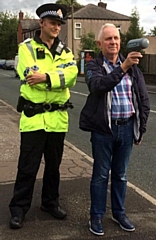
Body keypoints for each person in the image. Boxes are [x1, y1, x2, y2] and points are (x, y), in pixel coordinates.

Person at [9, 3, 78, 229]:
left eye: (59, 24)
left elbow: (72, 77)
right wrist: (56, 78)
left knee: (53, 166)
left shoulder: (66, 52)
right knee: (27, 167)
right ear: (41, 23)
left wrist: (46, 78)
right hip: (34, 118)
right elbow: (29, 76)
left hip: (57, 120)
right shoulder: (26, 48)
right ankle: (19, 209)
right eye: (52, 23)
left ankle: (50, 202)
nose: (56, 27)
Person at [79, 23, 150, 236]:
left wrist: (141, 128)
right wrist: (123, 67)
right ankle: (97, 216)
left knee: (121, 175)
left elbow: (143, 99)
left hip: (127, 128)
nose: (113, 42)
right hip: (103, 130)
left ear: (121, 42)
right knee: (101, 175)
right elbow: (98, 86)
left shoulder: (133, 68)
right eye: (108, 39)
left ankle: (119, 213)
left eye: (116, 39)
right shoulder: (93, 67)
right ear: (100, 44)